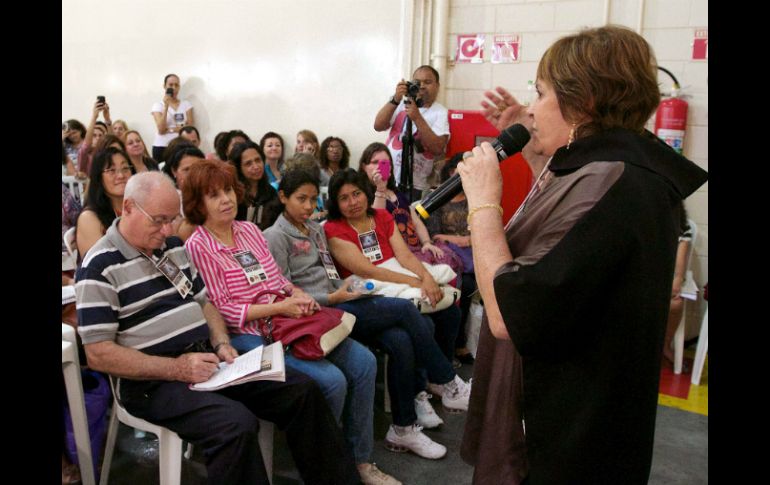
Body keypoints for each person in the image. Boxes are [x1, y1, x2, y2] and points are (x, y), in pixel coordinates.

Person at [456, 25, 708, 484]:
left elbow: (511, 314)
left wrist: (483, 203)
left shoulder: (615, 186)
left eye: (541, 93)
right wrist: (537, 146)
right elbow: (560, 224)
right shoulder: (616, 170)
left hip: (562, 434)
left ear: (583, 101)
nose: (531, 108)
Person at [75, 171, 359, 485]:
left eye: (172, 219)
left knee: (302, 391)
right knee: (234, 425)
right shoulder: (98, 267)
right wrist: (177, 368)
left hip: (208, 360)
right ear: (127, 208)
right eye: (158, 220)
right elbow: (99, 355)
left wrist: (221, 342)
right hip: (152, 381)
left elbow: (205, 303)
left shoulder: (171, 247)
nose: (168, 229)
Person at [181, 160, 380, 481]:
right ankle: (325, 464)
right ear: (197, 203)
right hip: (246, 333)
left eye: (228, 190)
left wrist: (297, 296)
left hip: (288, 319)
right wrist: (281, 308)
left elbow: (276, 279)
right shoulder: (198, 246)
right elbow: (224, 309)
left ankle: (359, 459)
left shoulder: (248, 230)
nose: (226, 199)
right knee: (332, 381)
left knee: (365, 362)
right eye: (214, 194)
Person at [265, 168, 467, 462]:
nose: (309, 206)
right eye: (301, 199)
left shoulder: (315, 229)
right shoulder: (277, 235)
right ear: (283, 197)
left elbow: (332, 273)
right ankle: (447, 382)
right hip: (320, 310)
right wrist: (334, 295)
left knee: (401, 339)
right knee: (406, 310)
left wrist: (347, 287)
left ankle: (402, 428)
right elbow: (286, 291)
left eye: (312, 199)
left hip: (345, 298)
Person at [324, 169, 470, 383]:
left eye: (356, 193)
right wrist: (417, 282)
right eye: (344, 198)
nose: (353, 202)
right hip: (365, 291)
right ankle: (444, 382)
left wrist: (427, 278)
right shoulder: (333, 228)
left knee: (450, 313)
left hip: (397, 278)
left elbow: (405, 256)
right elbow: (367, 270)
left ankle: (434, 381)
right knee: (421, 322)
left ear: (366, 192)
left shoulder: (382, 216)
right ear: (336, 203)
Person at [358, 142, 463, 277]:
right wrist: (380, 188)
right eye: (374, 162)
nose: (379, 166)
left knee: (449, 261)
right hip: (395, 253)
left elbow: (415, 220)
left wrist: (426, 243)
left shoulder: (397, 192)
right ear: (363, 167)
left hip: (416, 247)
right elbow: (377, 223)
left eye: (385, 163)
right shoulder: (363, 195)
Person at [423, 154, 478, 364]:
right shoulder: (437, 196)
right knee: (458, 283)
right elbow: (435, 235)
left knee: (470, 284)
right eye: (456, 172)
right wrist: (463, 239)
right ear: (449, 173)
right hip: (444, 254)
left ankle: (459, 343)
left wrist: (464, 239)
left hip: (472, 254)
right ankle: (452, 344)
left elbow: (482, 232)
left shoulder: (476, 197)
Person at [373, 65, 450, 200]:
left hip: (416, 183)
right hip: (385, 171)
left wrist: (417, 117)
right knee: (381, 215)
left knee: (406, 218)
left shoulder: (440, 112)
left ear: (437, 86)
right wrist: (395, 98)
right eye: (417, 82)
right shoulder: (400, 103)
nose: (422, 86)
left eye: (428, 82)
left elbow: (438, 148)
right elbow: (378, 126)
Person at [75, 147, 136, 260]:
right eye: (111, 170)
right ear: (99, 177)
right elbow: (99, 266)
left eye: (125, 168)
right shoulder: (89, 218)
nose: (121, 175)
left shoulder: (138, 207)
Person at [662, 203, 693, 368]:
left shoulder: (681, 229)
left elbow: (678, 273)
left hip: (666, 279)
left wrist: (677, 279)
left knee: (676, 304)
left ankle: (665, 345)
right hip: (642, 279)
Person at [228, 141, 281, 230]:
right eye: (248, 164)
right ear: (238, 168)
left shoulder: (270, 192)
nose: (256, 166)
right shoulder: (233, 195)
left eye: (258, 160)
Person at [151, 73, 194, 162]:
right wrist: (166, 106)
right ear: (164, 86)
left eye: (176, 85)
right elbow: (161, 130)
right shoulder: (158, 105)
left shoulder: (186, 104)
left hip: (181, 146)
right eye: (170, 85)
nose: (174, 88)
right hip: (162, 147)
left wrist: (170, 130)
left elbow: (189, 128)